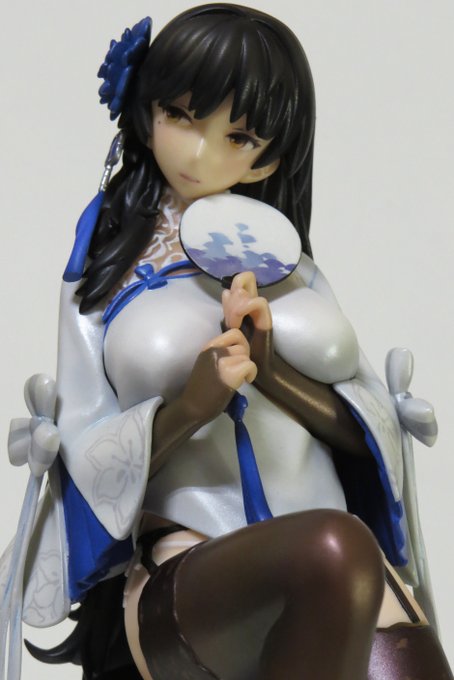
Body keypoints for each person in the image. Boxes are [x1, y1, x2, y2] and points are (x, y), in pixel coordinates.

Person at [0, 5, 452, 680]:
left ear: (270, 152)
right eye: (180, 115)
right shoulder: (102, 275)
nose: (200, 153)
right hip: (189, 560)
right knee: (333, 550)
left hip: (339, 554)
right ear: (144, 111)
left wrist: (274, 375)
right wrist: (191, 407)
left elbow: (367, 434)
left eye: (237, 136)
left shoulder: (293, 267)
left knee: (374, 603)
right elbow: (83, 453)